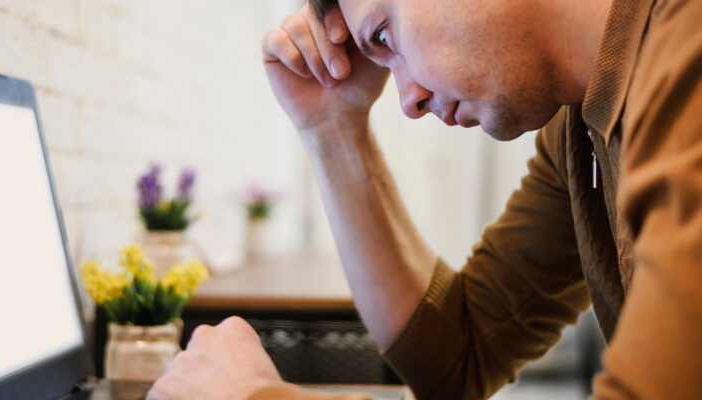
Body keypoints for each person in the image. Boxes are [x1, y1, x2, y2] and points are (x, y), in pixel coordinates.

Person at [148, 0, 702, 398]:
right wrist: (333, 130)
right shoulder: (577, 134)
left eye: (384, 37)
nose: (407, 100)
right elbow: (461, 355)